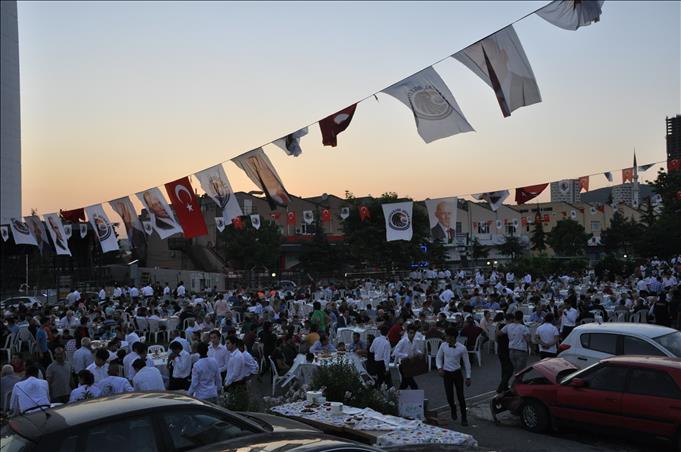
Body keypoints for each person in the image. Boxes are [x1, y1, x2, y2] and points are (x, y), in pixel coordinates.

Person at [436, 327, 471, 426]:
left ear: (452, 337)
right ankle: (453, 408)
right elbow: (438, 357)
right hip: (446, 373)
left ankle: (464, 417)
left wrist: (468, 377)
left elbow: (467, 363)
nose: (445, 337)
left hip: (457, 373)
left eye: (447, 336)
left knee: (461, 396)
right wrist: (439, 368)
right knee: (449, 396)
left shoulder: (462, 348)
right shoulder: (443, 345)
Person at [393, 325, 422, 390]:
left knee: (405, 384)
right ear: (407, 333)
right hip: (403, 365)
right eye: (410, 333)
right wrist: (406, 356)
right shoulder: (403, 341)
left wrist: (419, 353)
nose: (412, 335)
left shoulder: (415, 341)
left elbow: (416, 350)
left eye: (413, 333)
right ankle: (418, 397)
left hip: (410, 364)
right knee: (412, 384)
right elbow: (395, 352)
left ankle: (396, 396)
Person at [495, 313, 513, 394]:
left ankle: (504, 387)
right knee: (510, 370)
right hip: (507, 350)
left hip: (500, 350)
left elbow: (496, 338)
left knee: (504, 369)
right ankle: (501, 387)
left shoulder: (500, 326)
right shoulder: (509, 327)